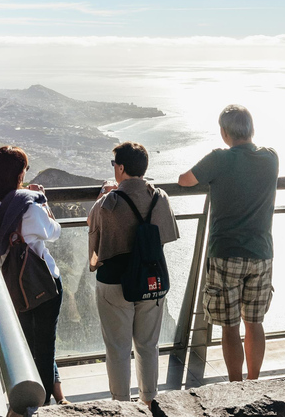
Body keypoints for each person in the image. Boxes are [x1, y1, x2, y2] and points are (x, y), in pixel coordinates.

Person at [178, 104, 278, 382]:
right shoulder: (271, 158)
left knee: (230, 327)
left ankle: (236, 386)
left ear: (224, 133)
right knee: (255, 323)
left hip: (225, 254)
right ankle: (254, 383)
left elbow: (184, 180)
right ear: (251, 129)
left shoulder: (218, 159)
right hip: (261, 253)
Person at [0, 146, 69, 406]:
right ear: (19, 175)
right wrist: (40, 199)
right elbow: (55, 231)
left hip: (11, 286)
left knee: (27, 344)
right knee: (45, 348)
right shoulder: (29, 209)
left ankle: (34, 399)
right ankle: (44, 406)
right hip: (44, 284)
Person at [87, 141, 179, 407]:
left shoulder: (109, 201)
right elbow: (168, 233)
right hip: (151, 279)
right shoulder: (159, 198)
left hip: (114, 282)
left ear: (122, 168)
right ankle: (150, 401)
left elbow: (93, 227)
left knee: (117, 348)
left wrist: (104, 195)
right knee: (148, 344)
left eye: (114, 164)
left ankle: (122, 405)